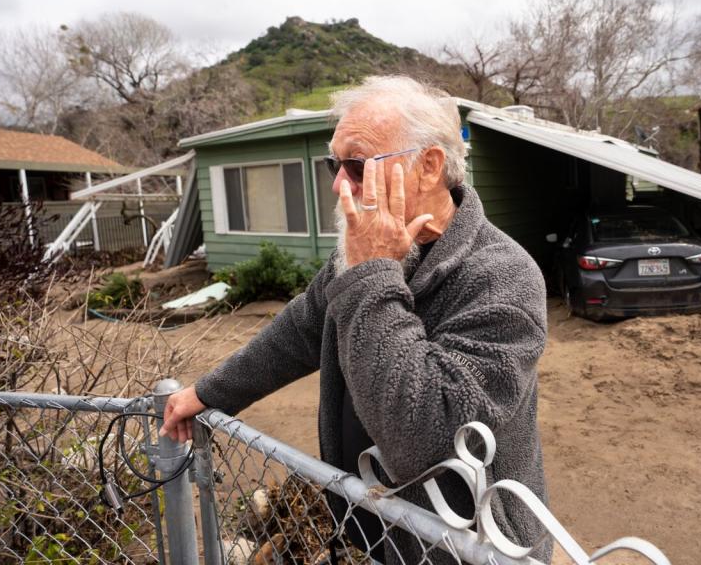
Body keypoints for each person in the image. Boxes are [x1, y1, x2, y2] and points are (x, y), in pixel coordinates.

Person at [160, 75, 550, 563]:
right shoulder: (368, 249)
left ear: (429, 166)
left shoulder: (503, 277)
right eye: (333, 164)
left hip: (467, 546)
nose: (339, 184)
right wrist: (207, 394)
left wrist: (371, 272)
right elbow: (303, 327)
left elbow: (423, 437)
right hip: (372, 527)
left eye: (357, 165)